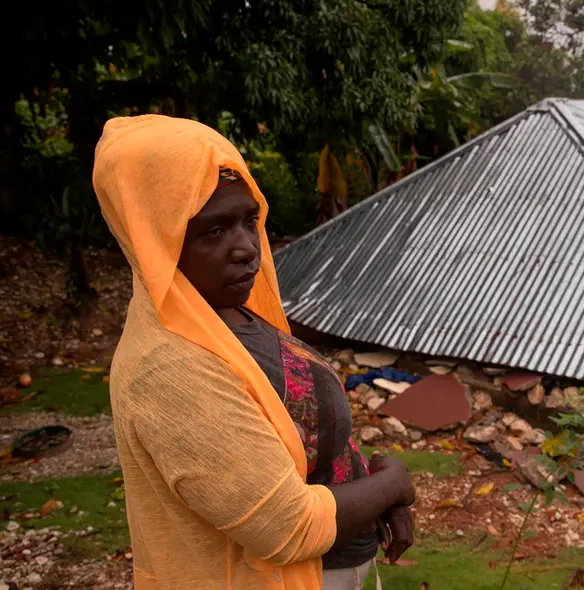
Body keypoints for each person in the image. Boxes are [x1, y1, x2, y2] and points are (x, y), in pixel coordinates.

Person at [93, 114, 414, 590]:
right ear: (154, 237)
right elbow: (286, 527)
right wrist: (394, 483)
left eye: (250, 220)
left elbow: (296, 434)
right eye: (213, 230)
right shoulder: (169, 369)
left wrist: (380, 498)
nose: (248, 248)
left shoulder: (227, 312)